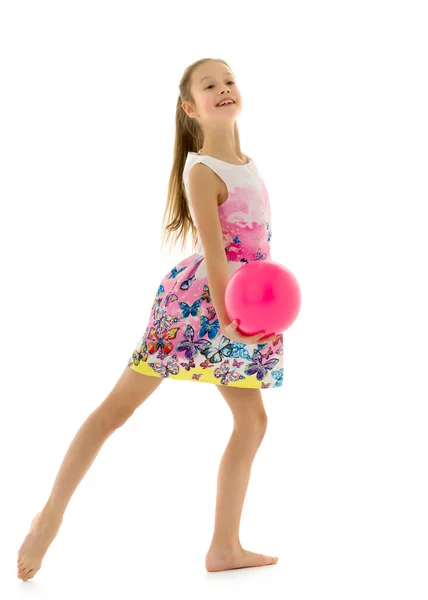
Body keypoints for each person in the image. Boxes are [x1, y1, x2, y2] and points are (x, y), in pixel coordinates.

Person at [17, 57, 282, 581]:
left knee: (252, 421)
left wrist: (252, 309)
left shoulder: (246, 161)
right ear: (191, 108)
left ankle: (224, 546)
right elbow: (215, 255)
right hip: (196, 309)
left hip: (238, 305)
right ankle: (48, 519)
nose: (225, 88)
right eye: (210, 85)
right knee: (117, 410)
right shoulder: (203, 170)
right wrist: (231, 318)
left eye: (229, 80)